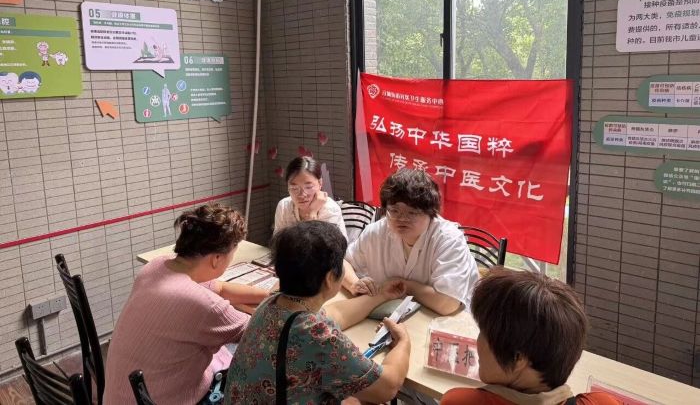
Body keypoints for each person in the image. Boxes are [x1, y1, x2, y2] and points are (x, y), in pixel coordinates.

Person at [225, 220, 411, 404]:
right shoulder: (319, 337)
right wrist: (403, 342)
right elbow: (387, 388)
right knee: (365, 399)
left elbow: (335, 314)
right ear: (330, 278)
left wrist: (381, 296)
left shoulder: (273, 302)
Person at [104, 203, 270, 405]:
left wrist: (269, 295)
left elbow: (219, 288)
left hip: (122, 396)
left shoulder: (157, 266)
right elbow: (261, 331)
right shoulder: (204, 305)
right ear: (217, 258)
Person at [440, 268, 622, 405]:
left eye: (484, 332)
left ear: (518, 358)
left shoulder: (461, 402)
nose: (477, 341)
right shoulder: (603, 402)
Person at [343, 168, 479, 315]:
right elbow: (344, 263)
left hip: (445, 320)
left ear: (431, 212)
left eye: (412, 212)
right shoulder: (376, 232)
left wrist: (404, 285)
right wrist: (354, 284)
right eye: (394, 210)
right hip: (390, 314)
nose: (402, 218)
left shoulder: (448, 239)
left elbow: (447, 304)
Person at [274, 156, 347, 238]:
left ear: (320, 183)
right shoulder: (284, 207)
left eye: (308, 187)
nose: (302, 195)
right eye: (294, 188)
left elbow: (324, 245)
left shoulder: (330, 210)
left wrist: (312, 214)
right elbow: (277, 242)